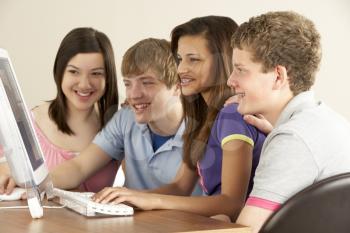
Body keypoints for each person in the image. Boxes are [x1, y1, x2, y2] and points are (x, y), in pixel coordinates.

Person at [92, 16, 266, 221]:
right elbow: (180, 186)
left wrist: (153, 201)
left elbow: (232, 204)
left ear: (223, 61)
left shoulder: (231, 115)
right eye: (179, 59)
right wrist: (131, 197)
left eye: (194, 59)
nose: (181, 69)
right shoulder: (201, 118)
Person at [226, 11, 350, 232]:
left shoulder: (293, 139)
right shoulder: (330, 122)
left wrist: (221, 222)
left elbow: (248, 229)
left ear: (278, 77)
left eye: (240, 70)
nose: (230, 81)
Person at [46, 38, 200, 194]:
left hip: (186, 218)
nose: (133, 95)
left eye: (146, 83)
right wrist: (33, 184)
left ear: (177, 87)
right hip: (132, 218)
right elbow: (79, 167)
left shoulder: (203, 128)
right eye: (128, 84)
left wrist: (134, 197)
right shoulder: (125, 119)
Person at [0, 27, 119, 194]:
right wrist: (7, 172)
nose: (84, 84)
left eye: (96, 73)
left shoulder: (116, 127)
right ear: (59, 71)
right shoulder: (28, 123)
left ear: (109, 78)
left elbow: (139, 185)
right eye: (74, 72)